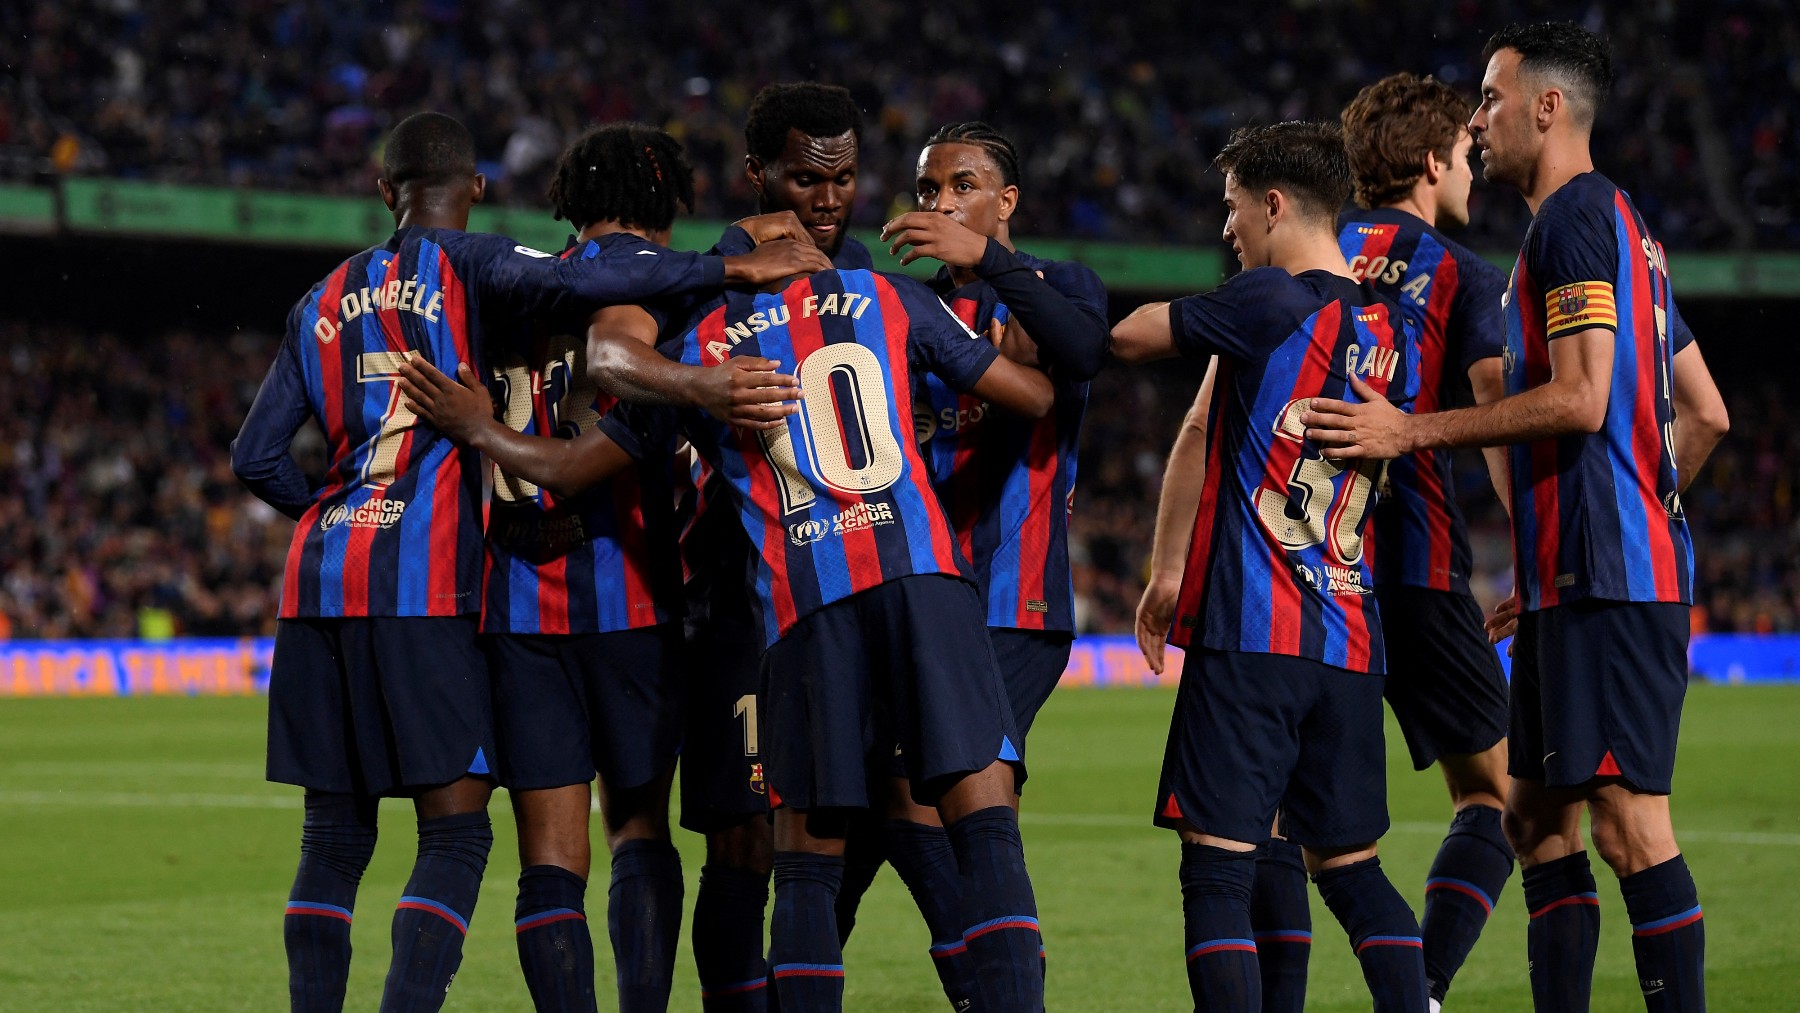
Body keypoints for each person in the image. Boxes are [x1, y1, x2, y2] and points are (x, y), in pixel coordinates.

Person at [229, 110, 830, 1013]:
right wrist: (731, 264)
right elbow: (624, 342)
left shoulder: (413, 303)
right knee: (617, 830)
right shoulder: (567, 296)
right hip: (613, 597)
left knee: (469, 847)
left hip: (485, 605)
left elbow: (258, 457)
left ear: (384, 189)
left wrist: (351, 510)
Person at [397, 262, 1056, 1013]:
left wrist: (480, 426)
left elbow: (582, 448)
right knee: (981, 824)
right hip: (925, 581)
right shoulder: (884, 291)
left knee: (804, 859)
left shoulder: (693, 339)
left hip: (805, 602)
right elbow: (1034, 394)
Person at [1301, 22, 1729, 1012]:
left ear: (1547, 107)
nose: (1477, 120)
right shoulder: (1631, 233)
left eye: (1491, 99)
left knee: (1629, 824)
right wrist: (1618, 522)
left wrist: (1412, 431)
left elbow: (1580, 401)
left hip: (1605, 580)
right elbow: (1704, 408)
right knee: (1534, 821)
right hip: (1575, 575)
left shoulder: (1575, 219)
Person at [478, 124, 829, 1013]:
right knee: (636, 826)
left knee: (549, 858)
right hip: (627, 589)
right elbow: (624, 391)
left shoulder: (521, 280)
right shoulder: (646, 276)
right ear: (664, 197)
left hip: (518, 601)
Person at [1113, 120, 1428, 1013]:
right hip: (1349, 637)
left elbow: (1131, 337)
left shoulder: (1267, 302)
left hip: (1254, 636)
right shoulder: (1394, 328)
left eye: (1234, 208)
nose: (1228, 231)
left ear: (1275, 204)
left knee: (1216, 874)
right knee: (1354, 872)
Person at [581, 82, 874, 1012]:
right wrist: (703, 387)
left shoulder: (862, 269)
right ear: (757, 177)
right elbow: (613, 356)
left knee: (844, 836)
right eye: (804, 181)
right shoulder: (710, 274)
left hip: (856, 604)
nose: (826, 202)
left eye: (845, 181)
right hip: (742, 601)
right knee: (745, 839)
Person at [825, 120, 1109, 1008]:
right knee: (903, 812)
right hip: (911, 599)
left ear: (1005, 201)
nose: (939, 202)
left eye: (962, 185)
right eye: (928, 188)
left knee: (921, 799)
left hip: (1011, 603)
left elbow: (1084, 350)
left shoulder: (1058, 288)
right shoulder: (894, 312)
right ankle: (996, 981)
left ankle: (999, 991)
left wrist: (986, 259)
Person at [1333, 72, 1518, 1013]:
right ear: (1432, 159)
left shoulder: (1309, 250)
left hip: (1312, 572)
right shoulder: (1460, 272)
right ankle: (1425, 990)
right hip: (1414, 560)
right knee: (1500, 797)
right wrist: (1527, 552)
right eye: (1465, 149)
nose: (1474, 164)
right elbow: (1492, 417)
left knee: (1301, 817)